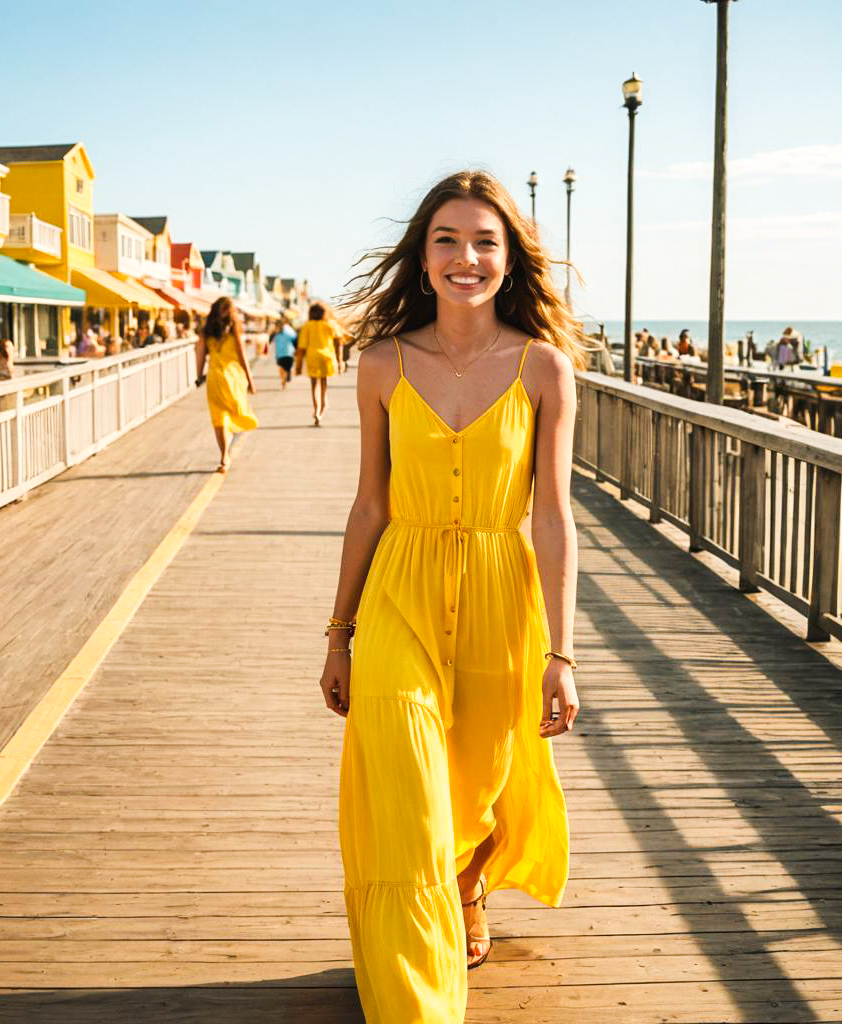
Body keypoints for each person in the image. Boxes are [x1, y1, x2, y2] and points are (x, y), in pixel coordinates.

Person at [324, 169, 581, 1020]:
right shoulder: (381, 364)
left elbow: (552, 517)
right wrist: (338, 634)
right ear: (423, 258)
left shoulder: (544, 369)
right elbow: (369, 504)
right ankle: (416, 1000)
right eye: (447, 240)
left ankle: (468, 886)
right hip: (400, 590)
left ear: (508, 261)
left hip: (503, 603)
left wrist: (561, 653)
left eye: (484, 242)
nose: (465, 257)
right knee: (402, 786)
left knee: (470, 786)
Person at [196, 296, 258, 473]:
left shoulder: (206, 331)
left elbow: (200, 356)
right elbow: (242, 355)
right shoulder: (234, 329)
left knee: (218, 417)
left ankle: (224, 457)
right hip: (233, 377)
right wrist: (250, 379)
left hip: (214, 378)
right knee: (234, 413)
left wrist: (198, 376)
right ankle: (227, 447)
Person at [294, 302, 338, 425]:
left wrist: (297, 365)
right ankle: (324, 405)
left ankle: (316, 410)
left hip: (312, 356)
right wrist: (339, 361)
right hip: (326, 356)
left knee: (314, 385)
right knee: (324, 382)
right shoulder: (329, 325)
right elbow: (338, 340)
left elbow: (301, 347)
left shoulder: (307, 326)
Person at [269, 319, 298, 388]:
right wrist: (296, 349)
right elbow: (295, 339)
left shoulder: (275, 332)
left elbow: (270, 340)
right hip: (289, 353)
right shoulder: (290, 331)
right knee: (287, 367)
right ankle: (287, 374)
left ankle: (283, 379)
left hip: (280, 354)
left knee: (281, 368)